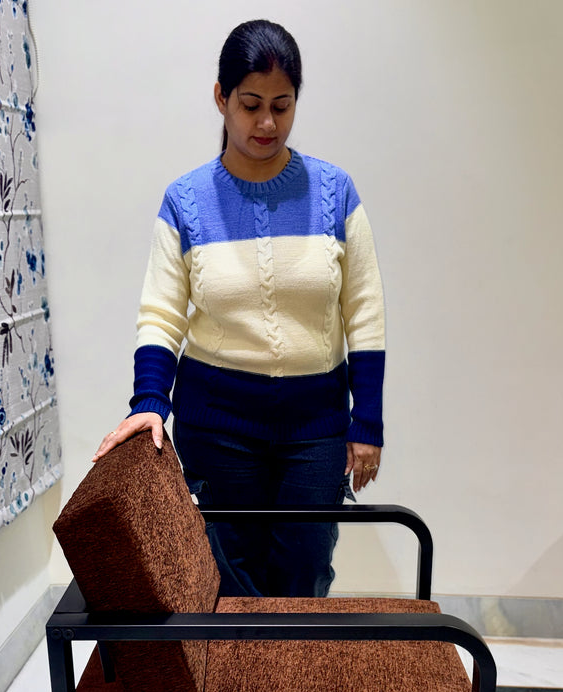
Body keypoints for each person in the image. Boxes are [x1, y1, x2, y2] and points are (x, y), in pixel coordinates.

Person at [93, 19, 385, 598]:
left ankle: (289, 690)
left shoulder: (335, 193)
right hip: (217, 425)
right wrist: (150, 401)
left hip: (314, 429)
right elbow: (161, 314)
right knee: (227, 583)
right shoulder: (186, 201)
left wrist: (367, 420)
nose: (267, 123)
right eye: (251, 104)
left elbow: (365, 313)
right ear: (221, 97)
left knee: (304, 577)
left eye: (283, 104)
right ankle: (234, 691)